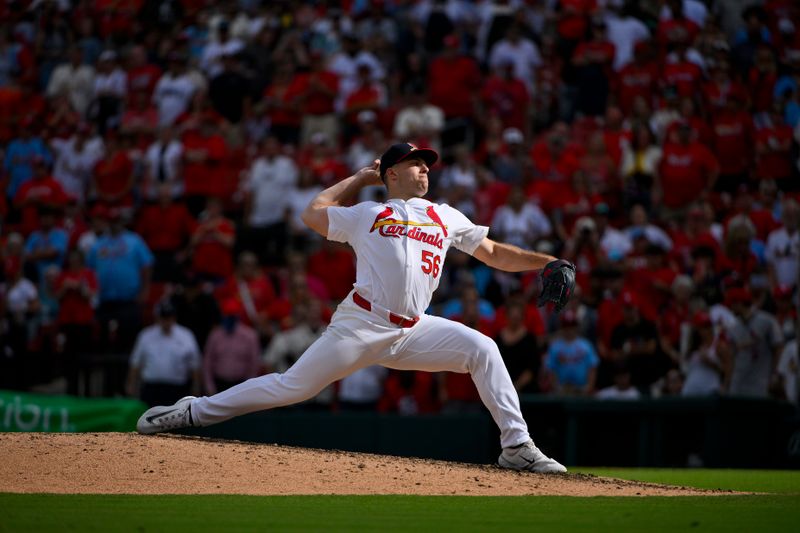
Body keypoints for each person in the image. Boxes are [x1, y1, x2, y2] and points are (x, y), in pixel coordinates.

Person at [137, 142, 576, 473]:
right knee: (292, 387)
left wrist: (547, 262)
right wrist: (358, 178)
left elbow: (495, 252)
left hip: (413, 329)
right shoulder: (368, 213)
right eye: (415, 162)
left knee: (482, 348)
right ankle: (194, 410)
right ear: (391, 173)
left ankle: (516, 447)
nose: (425, 167)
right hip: (361, 324)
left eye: (427, 163)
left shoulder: (445, 215)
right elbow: (313, 214)